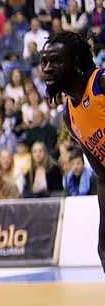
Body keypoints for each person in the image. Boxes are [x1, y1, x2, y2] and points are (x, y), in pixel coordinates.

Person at [39, 32, 105, 270]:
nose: (47, 68)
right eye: (44, 61)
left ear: (76, 62)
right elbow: (102, 173)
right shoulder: (70, 114)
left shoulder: (101, 83)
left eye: (56, 61)